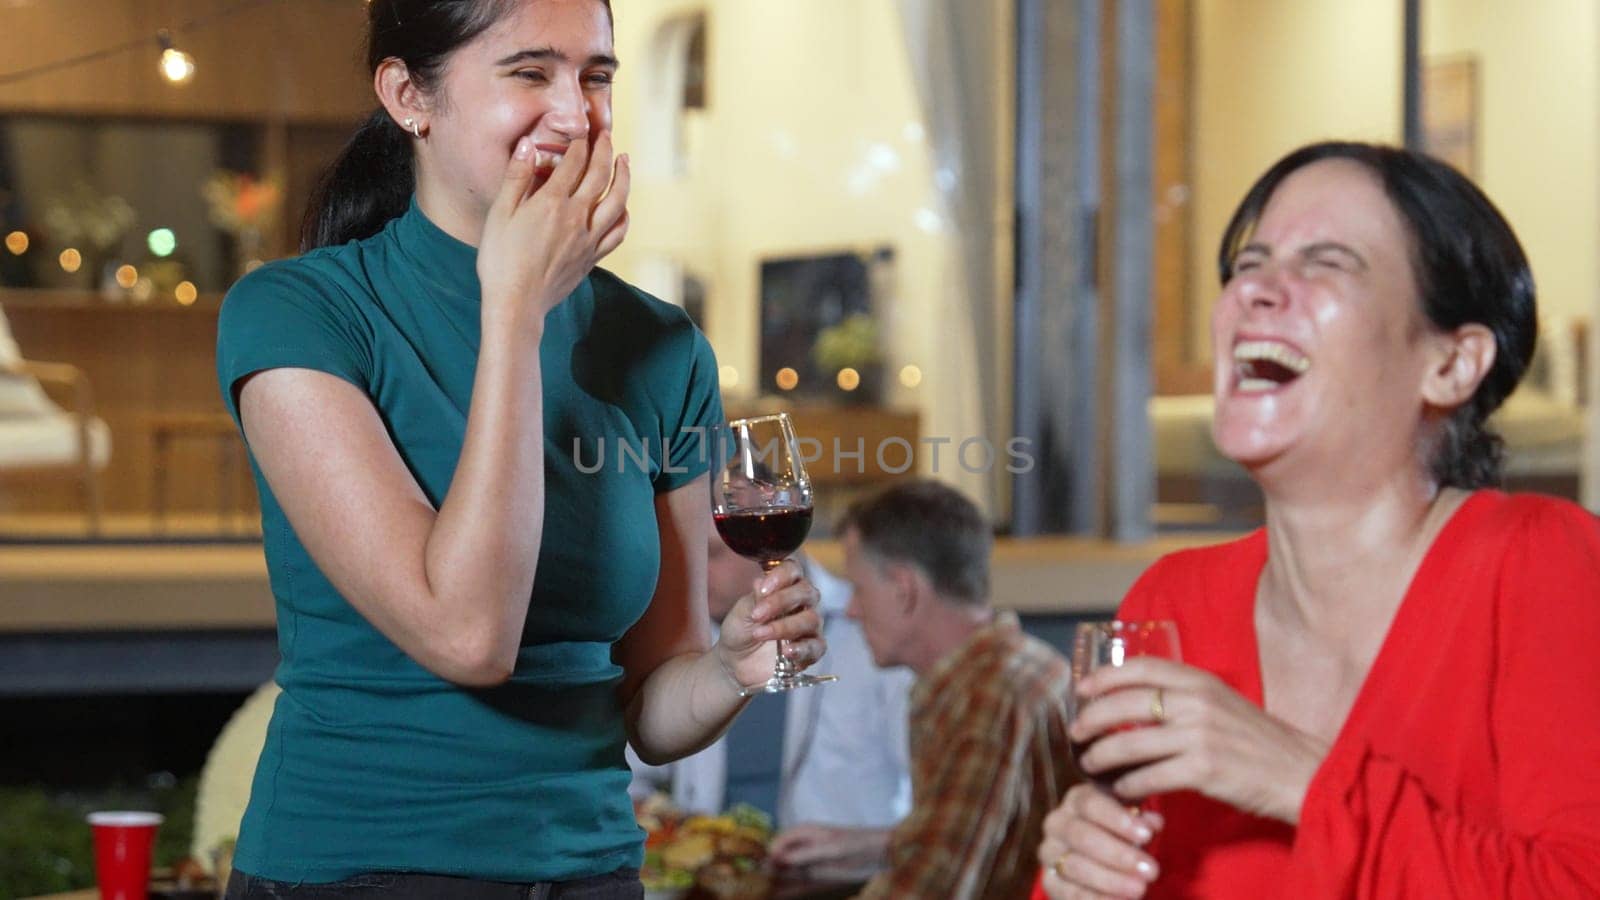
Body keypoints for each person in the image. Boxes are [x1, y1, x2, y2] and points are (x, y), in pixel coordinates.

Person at [213, 2, 825, 897]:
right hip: (360, 870)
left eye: (598, 76)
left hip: (590, 871)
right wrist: (515, 310)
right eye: (530, 73)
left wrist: (733, 670)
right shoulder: (301, 314)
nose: (576, 113)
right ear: (408, 96)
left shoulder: (660, 345)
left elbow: (651, 707)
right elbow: (468, 637)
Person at [1033, 142, 1600, 900]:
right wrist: (1077, 877)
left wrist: (1296, 776)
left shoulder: (1540, 562)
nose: (1258, 291)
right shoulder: (1172, 604)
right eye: (1248, 264)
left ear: (1451, 365)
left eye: (1327, 262)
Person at [834, 479, 1076, 900]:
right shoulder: (1011, 668)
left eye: (858, 589)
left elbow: (931, 886)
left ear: (903, 590)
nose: (851, 612)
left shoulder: (990, 696)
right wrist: (867, 846)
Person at [627, 519, 914, 872]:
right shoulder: (683, 634)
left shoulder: (872, 630)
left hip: (836, 888)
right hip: (716, 881)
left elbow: (943, 808)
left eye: (713, 553)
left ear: (773, 545)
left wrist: (871, 847)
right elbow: (634, 771)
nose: (694, 573)